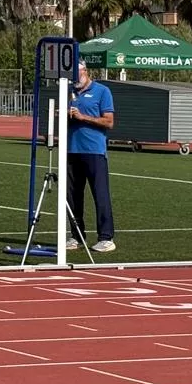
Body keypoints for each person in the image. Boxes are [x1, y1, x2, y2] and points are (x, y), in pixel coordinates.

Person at [65, 62, 117, 252]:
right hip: (71, 150)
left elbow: (109, 121)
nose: (75, 80)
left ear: (85, 72)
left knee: (100, 193)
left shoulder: (102, 91)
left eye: (77, 75)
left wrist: (83, 117)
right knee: (72, 196)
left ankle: (106, 237)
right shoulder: (68, 92)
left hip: (94, 150)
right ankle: (76, 236)